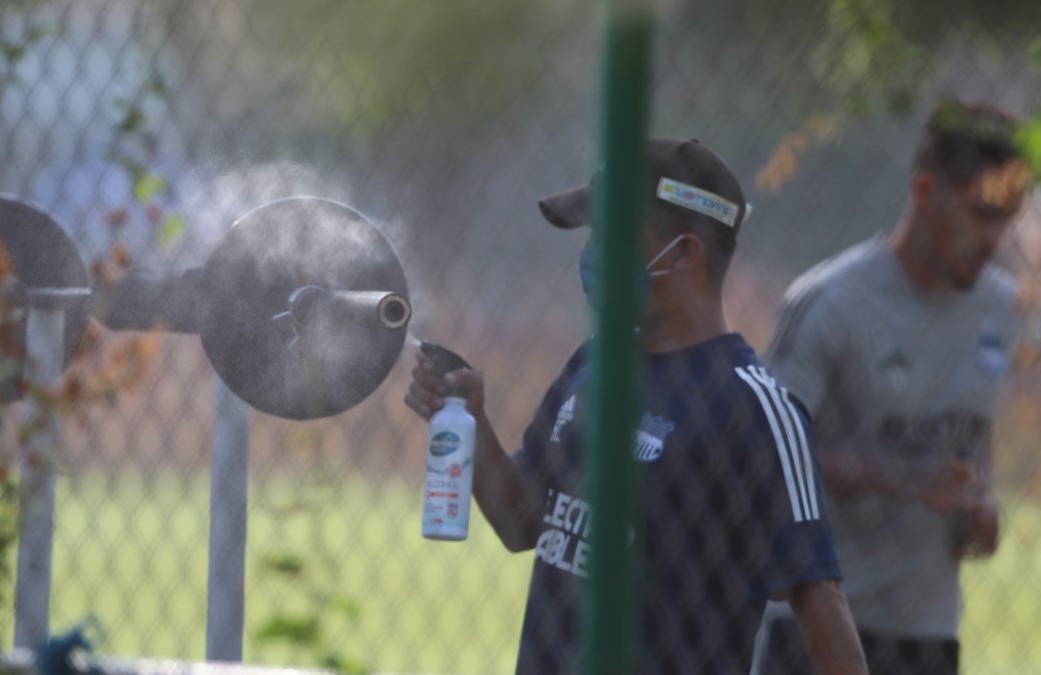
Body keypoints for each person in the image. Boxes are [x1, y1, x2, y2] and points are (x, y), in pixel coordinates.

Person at [404, 138, 868, 674]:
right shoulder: (593, 364)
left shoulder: (755, 408)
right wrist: (472, 420)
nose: (595, 252)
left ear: (687, 252)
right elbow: (520, 524)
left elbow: (822, 604)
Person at [757, 99, 1031, 675]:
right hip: (816, 626)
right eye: (981, 213)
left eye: (1006, 218)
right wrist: (895, 476)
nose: (994, 238)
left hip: (926, 633)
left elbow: (971, 435)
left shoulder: (1003, 310)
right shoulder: (830, 303)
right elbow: (763, 455)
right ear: (926, 192)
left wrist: (978, 509)